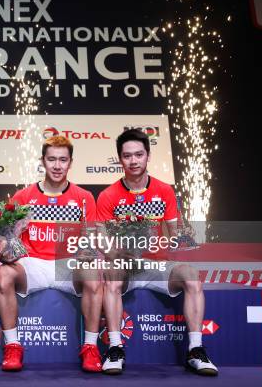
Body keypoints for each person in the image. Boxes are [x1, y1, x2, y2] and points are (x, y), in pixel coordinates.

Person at [96, 128, 218, 376]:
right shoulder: (108, 195)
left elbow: (175, 236)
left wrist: (170, 240)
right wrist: (121, 251)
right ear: (120, 159)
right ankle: (115, 348)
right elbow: (101, 240)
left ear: (147, 156)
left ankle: (195, 350)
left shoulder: (164, 191)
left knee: (191, 275)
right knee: (110, 272)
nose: (133, 161)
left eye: (138, 154)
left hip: (159, 265)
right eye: (127, 156)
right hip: (126, 266)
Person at [0, 136, 103, 372]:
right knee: (3, 274)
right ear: (43, 161)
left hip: (68, 266)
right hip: (32, 264)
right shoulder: (23, 197)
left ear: (70, 162)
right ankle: (13, 346)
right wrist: (9, 246)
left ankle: (90, 348)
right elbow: (4, 248)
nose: (56, 165)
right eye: (51, 159)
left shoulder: (84, 198)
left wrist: (87, 253)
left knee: (94, 275)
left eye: (62, 160)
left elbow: (92, 242)